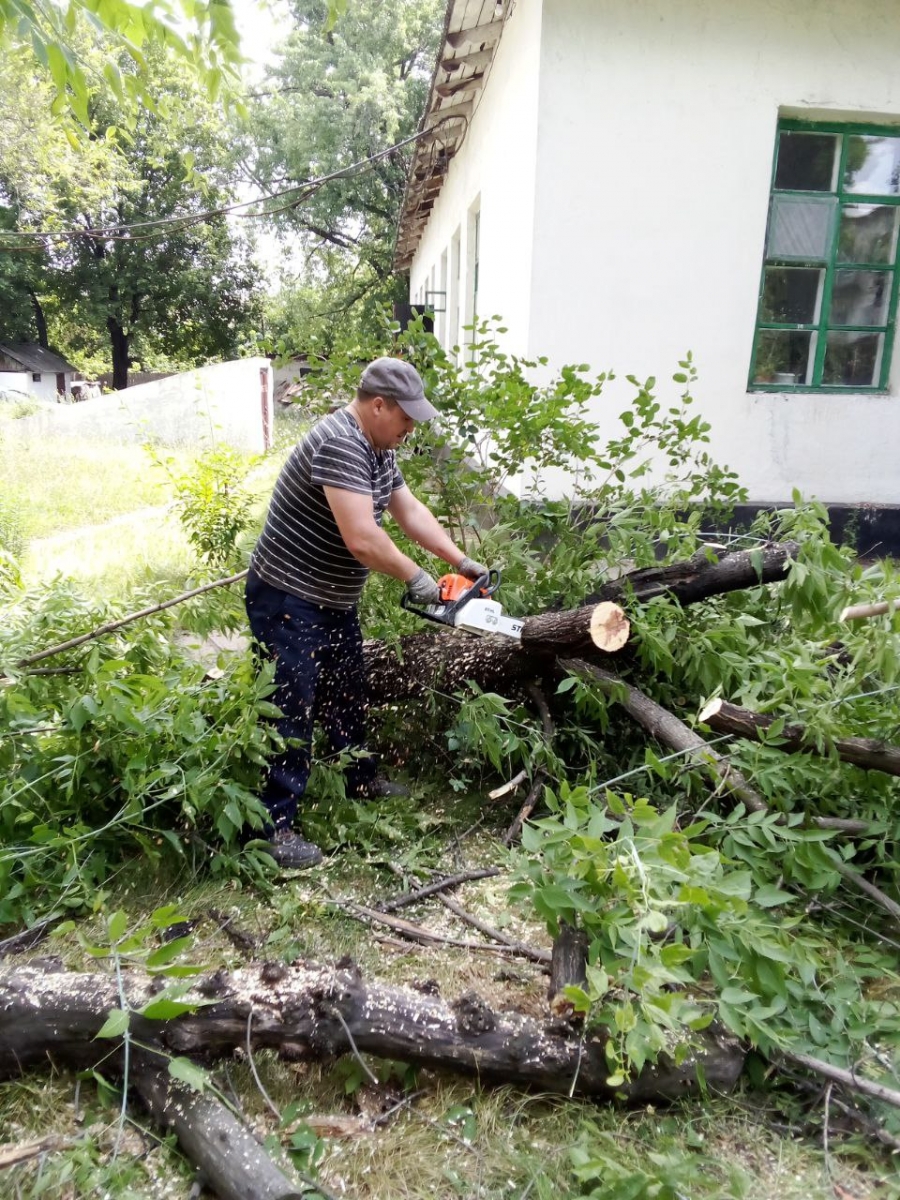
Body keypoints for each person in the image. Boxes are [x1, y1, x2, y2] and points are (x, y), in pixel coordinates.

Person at [245, 357, 488, 869]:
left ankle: (358, 779)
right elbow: (362, 538)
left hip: (331, 598)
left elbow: (409, 511)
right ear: (378, 405)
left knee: (346, 691)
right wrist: (418, 580)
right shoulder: (340, 443)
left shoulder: (379, 449)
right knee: (291, 706)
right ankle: (273, 827)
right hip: (287, 596)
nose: (411, 428)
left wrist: (459, 562)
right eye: (406, 418)